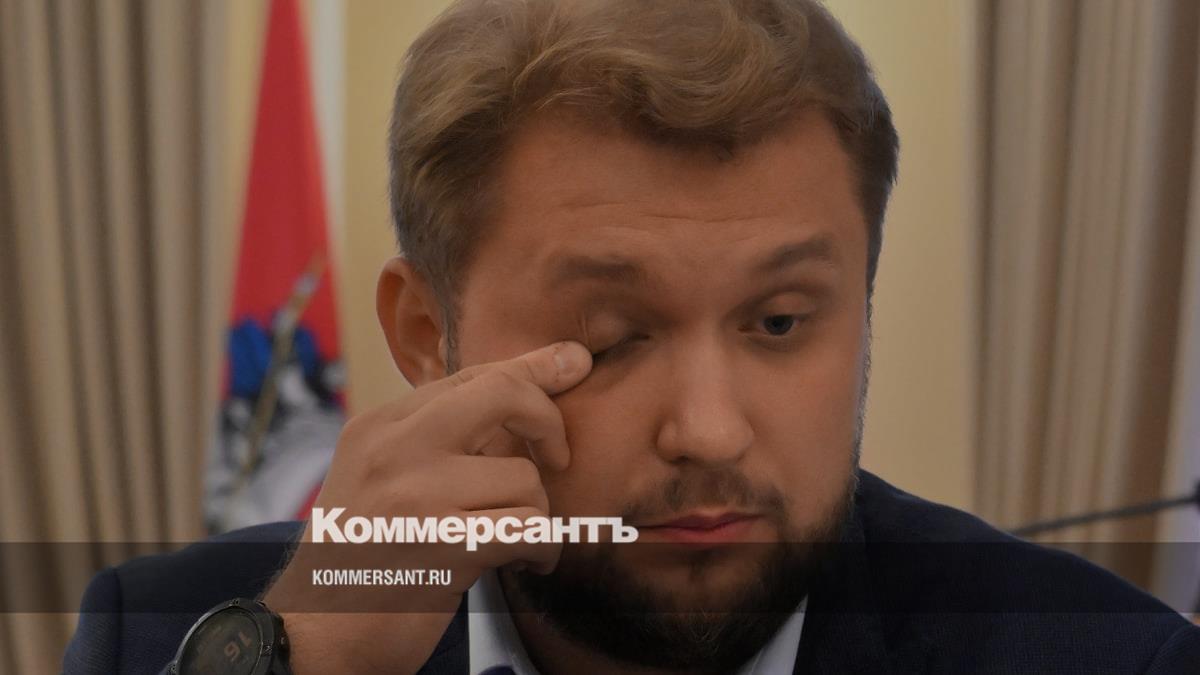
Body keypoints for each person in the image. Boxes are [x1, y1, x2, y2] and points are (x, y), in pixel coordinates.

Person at [65, 1, 1200, 673]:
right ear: (425, 332)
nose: (708, 430)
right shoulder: (164, 636)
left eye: (780, 322)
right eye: (610, 339)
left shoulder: (1101, 657)